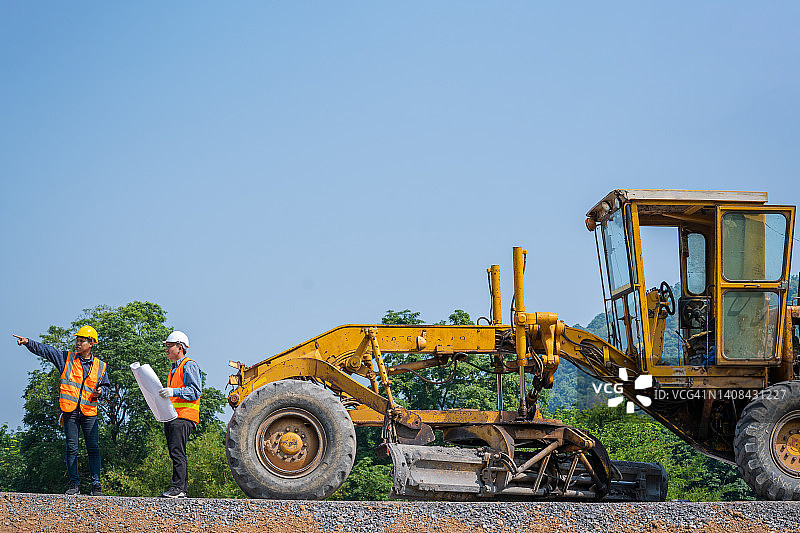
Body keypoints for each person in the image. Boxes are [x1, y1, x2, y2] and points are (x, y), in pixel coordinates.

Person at [13, 326, 110, 496]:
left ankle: (96, 485)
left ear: (92, 343)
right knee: (71, 448)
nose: (78, 344)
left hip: (89, 412)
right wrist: (29, 342)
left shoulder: (100, 366)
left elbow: (106, 387)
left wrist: (101, 392)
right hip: (70, 412)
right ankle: (74, 485)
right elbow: (47, 351)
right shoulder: (66, 358)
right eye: (77, 340)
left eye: (82, 341)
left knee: (93, 448)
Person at [158, 330, 201, 498]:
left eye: (170, 346)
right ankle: (180, 488)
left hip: (184, 416)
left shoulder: (189, 365)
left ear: (181, 347)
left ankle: (177, 488)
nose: (166, 349)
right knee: (176, 452)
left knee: (177, 452)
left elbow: (195, 391)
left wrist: (173, 391)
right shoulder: (173, 369)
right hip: (174, 416)